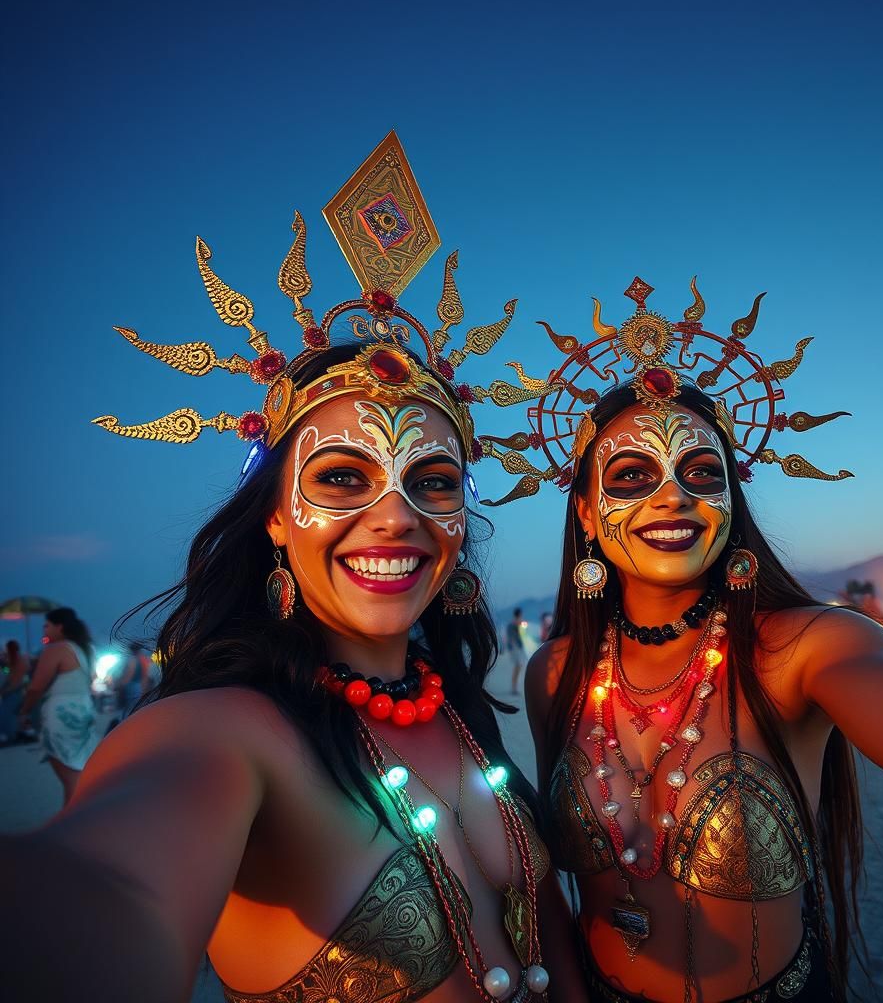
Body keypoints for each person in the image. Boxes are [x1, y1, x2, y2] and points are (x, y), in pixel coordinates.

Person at [2, 135, 585, 1003]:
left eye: (433, 483)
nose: (396, 515)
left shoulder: (462, 713)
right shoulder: (227, 734)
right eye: (343, 477)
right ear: (275, 516)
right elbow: (109, 885)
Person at [479, 279, 883, 1002]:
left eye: (702, 473)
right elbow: (547, 874)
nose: (673, 496)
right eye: (633, 475)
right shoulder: (555, 674)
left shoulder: (803, 648)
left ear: (731, 502)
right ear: (585, 509)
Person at [17, 607, 102, 804]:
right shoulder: (86, 649)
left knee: (70, 780)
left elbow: (35, 687)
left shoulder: (57, 649)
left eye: (46, 626)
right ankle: (80, 819)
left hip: (60, 715)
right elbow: (92, 679)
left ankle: (72, 825)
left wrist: (24, 711)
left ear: (59, 626)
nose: (44, 631)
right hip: (84, 711)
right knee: (80, 773)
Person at [0, 640, 29, 745]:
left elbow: (8, 676)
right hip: (16, 692)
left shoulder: (17, 661)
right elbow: (8, 674)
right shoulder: (20, 661)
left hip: (13, 693)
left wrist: (5, 690)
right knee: (13, 715)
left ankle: (11, 736)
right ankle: (16, 734)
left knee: (6, 715)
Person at [506, 608, 528, 695]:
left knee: (518, 667)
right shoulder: (516, 623)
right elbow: (520, 635)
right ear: (520, 614)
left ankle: (514, 687)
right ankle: (514, 688)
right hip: (516, 648)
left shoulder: (513, 623)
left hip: (515, 648)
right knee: (518, 666)